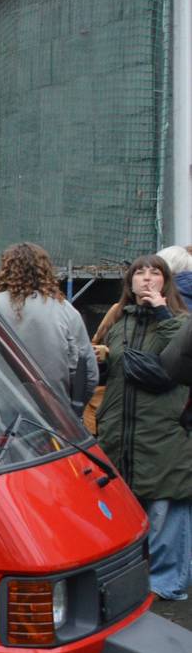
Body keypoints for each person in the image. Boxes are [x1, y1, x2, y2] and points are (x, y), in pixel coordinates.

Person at [95, 256, 192, 602]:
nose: (147, 279)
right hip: (121, 431)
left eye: (155, 273)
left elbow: (181, 355)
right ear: (130, 281)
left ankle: (167, 585)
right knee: (125, 510)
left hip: (164, 433)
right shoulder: (118, 322)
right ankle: (133, 581)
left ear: (166, 282)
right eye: (140, 272)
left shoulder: (181, 320)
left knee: (166, 509)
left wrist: (163, 313)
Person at [0, 242, 96, 411]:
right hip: (52, 415)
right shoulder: (65, 311)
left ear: (5, 270)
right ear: (45, 270)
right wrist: (73, 410)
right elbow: (88, 373)